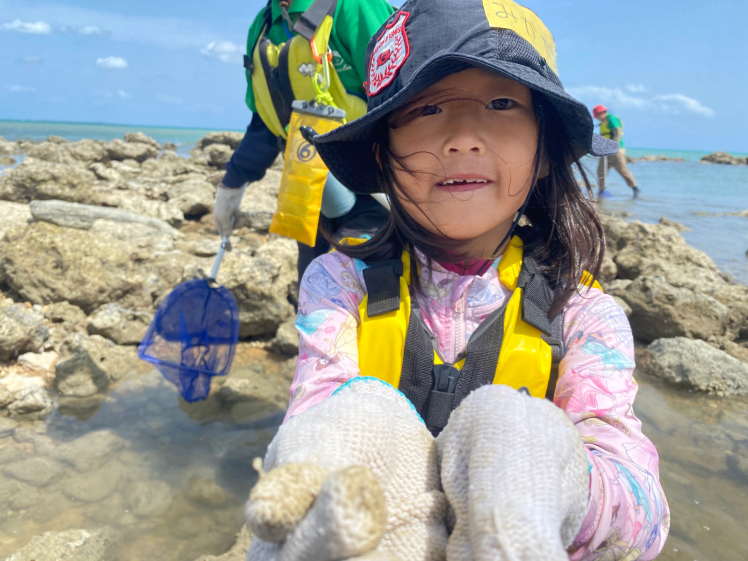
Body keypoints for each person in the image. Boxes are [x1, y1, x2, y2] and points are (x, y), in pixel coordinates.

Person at [245, 1, 670, 559]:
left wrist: (556, 475)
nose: (463, 137)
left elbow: (644, 514)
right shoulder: (338, 283)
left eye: (501, 103)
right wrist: (332, 442)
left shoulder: (584, 314)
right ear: (383, 148)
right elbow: (315, 403)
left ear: (545, 149)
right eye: (425, 109)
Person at [214, 0, 393, 280]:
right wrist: (231, 185)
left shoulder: (355, 7)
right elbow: (265, 123)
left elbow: (405, 98)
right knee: (313, 295)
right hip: (313, 199)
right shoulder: (262, 28)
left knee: (372, 298)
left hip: (379, 195)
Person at [593, 104, 639, 198]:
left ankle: (635, 189)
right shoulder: (604, 122)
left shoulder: (612, 119)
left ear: (602, 113)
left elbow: (617, 133)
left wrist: (612, 147)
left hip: (616, 150)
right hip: (605, 151)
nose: (597, 118)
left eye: (597, 116)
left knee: (622, 169)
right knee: (601, 171)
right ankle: (601, 191)